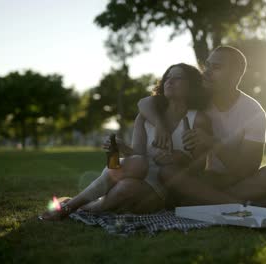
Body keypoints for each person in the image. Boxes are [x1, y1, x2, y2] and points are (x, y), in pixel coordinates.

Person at [40, 63, 211, 220]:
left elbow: (200, 166)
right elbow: (138, 154)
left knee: (127, 187)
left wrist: (177, 158)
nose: (169, 81)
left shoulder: (198, 118)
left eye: (178, 78)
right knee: (137, 165)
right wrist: (122, 148)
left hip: (165, 184)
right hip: (141, 170)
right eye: (167, 77)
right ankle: (72, 207)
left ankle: (81, 207)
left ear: (192, 86)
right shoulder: (145, 117)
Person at [138, 46, 266, 211]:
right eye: (207, 65)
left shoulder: (253, 112)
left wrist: (212, 143)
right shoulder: (198, 98)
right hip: (202, 178)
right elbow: (146, 102)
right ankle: (243, 204)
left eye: (216, 67)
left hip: (237, 179)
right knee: (169, 173)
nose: (207, 72)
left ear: (236, 75)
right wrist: (159, 125)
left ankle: (202, 202)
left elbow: (248, 169)